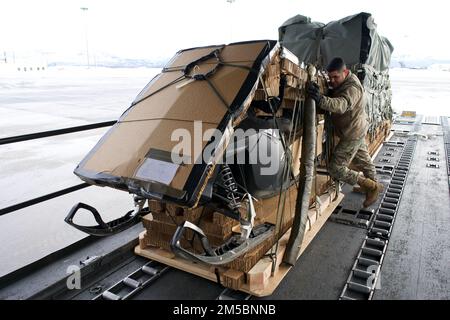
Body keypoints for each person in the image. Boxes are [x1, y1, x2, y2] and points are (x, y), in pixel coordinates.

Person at [307, 57, 383, 207]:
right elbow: (335, 94)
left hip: (352, 132)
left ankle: (371, 186)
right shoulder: (342, 83)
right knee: (364, 161)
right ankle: (373, 188)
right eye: (330, 78)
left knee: (335, 168)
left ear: (345, 72)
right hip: (356, 127)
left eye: (336, 77)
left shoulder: (352, 87)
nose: (333, 81)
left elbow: (342, 105)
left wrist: (320, 99)